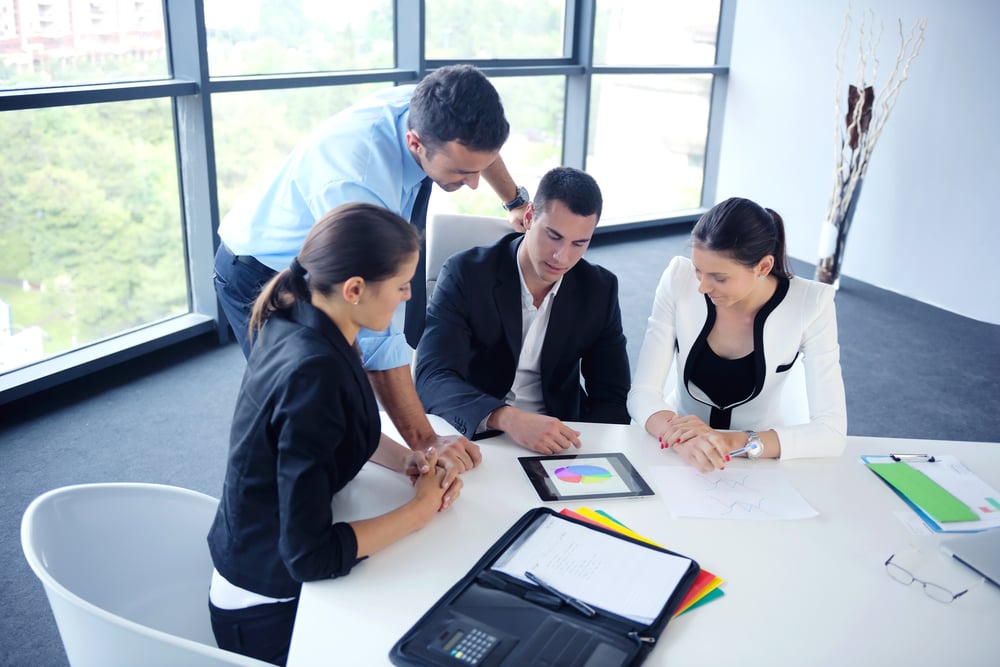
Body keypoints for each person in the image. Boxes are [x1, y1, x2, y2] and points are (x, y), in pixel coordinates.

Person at [213, 64, 529, 474]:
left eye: (477, 169)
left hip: (325, 254)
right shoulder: (358, 183)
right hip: (260, 271)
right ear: (416, 143)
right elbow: (381, 336)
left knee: (344, 399)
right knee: (310, 409)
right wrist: (426, 441)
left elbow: (479, 150)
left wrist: (515, 201)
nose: (472, 184)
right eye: (460, 172)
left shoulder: (433, 105)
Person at [207, 203, 463, 666]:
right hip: (271, 613)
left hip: (255, 556)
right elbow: (310, 556)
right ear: (355, 289)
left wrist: (404, 457)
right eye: (402, 284)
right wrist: (420, 509)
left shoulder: (303, 315)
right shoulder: (313, 371)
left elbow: (330, 429)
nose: (408, 295)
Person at [415, 167, 631, 454]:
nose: (562, 257)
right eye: (553, 236)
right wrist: (506, 418)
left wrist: (591, 454)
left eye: (579, 243)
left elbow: (612, 396)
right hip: (475, 435)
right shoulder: (466, 273)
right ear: (529, 217)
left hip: (558, 442)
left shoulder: (599, 289)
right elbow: (433, 376)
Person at [627, 197, 847, 473]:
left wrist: (728, 441)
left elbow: (832, 433)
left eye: (719, 278)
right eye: (698, 270)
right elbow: (642, 394)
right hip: (677, 449)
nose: (702, 287)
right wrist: (686, 439)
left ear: (763, 267)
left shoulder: (812, 303)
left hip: (759, 457)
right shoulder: (678, 279)